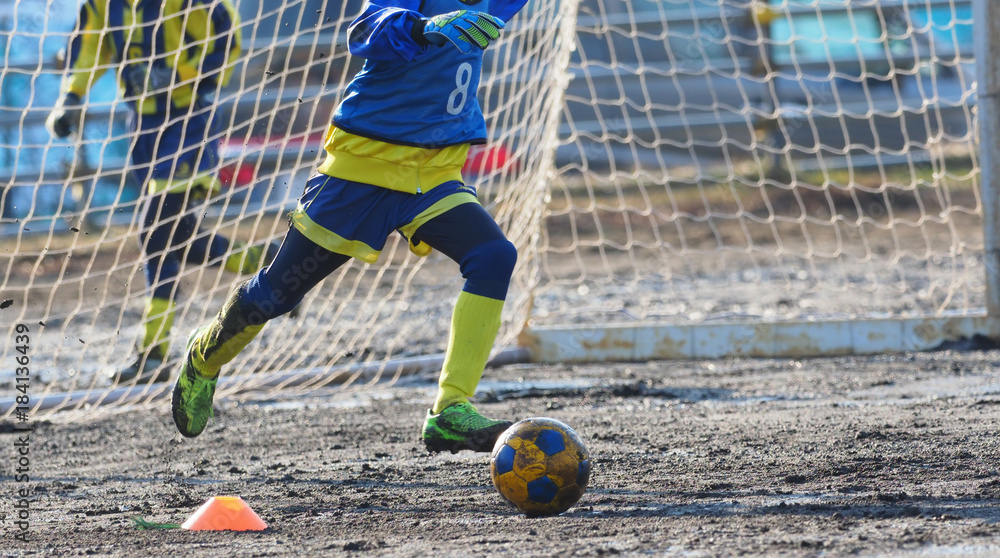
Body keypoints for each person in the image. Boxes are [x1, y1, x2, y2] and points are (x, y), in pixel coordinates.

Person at [171, 0, 528, 453]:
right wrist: (426, 28)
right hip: (360, 171)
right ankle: (205, 356)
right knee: (276, 295)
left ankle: (449, 410)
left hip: (432, 172)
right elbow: (364, 31)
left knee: (494, 255)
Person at [47, 0, 276, 385]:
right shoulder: (102, 4)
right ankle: (269, 265)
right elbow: (90, 45)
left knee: (156, 232)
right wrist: (71, 96)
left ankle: (153, 354)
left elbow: (226, 36)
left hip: (188, 123)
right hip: (142, 128)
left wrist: (181, 75)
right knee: (176, 235)